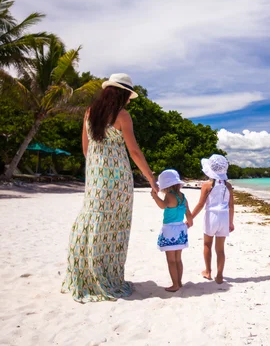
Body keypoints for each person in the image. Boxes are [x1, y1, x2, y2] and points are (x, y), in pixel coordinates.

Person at [61, 73, 158, 303]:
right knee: (114, 227)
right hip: (118, 181)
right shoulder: (122, 116)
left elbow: (86, 149)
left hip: (95, 177)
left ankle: (83, 274)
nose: (128, 102)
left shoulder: (89, 112)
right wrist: (151, 178)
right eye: (128, 97)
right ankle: (107, 276)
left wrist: (97, 168)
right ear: (122, 95)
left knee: (91, 221)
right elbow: (134, 152)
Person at [191, 154, 235, 284]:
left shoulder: (207, 185)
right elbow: (231, 206)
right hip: (224, 216)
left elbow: (200, 204)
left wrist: (190, 218)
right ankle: (220, 275)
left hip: (211, 216)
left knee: (207, 244)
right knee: (220, 249)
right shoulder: (228, 186)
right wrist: (231, 222)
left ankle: (208, 271)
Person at [150, 169, 193, 292]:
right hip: (180, 229)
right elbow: (188, 213)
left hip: (169, 230)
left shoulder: (169, 196)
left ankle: (175, 284)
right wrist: (189, 223)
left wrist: (154, 196)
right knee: (178, 259)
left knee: (171, 260)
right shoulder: (183, 197)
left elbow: (162, 206)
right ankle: (179, 282)